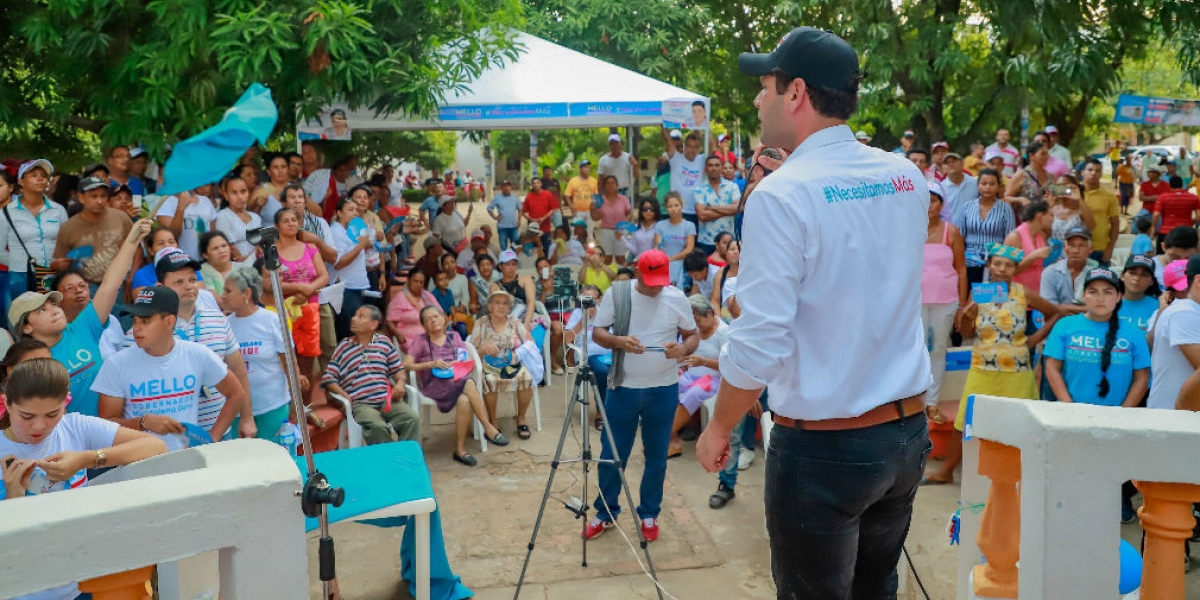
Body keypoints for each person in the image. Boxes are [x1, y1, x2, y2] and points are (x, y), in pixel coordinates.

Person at [694, 28, 937, 597]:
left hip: (828, 447)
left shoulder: (782, 197)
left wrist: (721, 424)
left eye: (766, 86)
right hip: (903, 435)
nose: (758, 100)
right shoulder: (904, 175)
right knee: (876, 588)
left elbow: (759, 344)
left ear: (796, 92)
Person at [1, 359, 166, 598]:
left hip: (79, 583)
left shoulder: (75, 427)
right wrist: (14, 502)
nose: (39, 426)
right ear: (6, 403)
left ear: (66, 401)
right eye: (26, 416)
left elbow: (155, 446)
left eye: (52, 414)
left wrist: (85, 459)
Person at [585, 249, 698, 543]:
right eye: (651, 281)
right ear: (637, 273)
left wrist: (683, 350)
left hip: (663, 390)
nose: (656, 287)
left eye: (661, 281)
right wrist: (619, 341)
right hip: (623, 388)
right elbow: (598, 333)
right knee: (611, 454)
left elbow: (692, 335)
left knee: (657, 456)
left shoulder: (676, 298)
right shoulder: (618, 294)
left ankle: (649, 513)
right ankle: (605, 512)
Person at [926, 244, 1059, 484]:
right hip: (982, 368)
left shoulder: (1022, 293)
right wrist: (966, 318)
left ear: (1015, 269)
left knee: (1024, 421)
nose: (1002, 269)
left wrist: (1034, 340)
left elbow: (1055, 313)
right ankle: (946, 471)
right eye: (997, 264)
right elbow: (966, 332)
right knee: (963, 421)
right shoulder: (982, 293)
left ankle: (1027, 473)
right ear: (989, 266)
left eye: (1008, 265)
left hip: (1016, 371)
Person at [10, 219, 151, 421]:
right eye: (41, 310)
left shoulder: (82, 328)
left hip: (112, 430)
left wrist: (132, 240)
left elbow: (110, 285)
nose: (54, 310)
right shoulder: (30, 364)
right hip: (72, 443)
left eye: (53, 304)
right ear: (27, 327)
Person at [95, 286, 247, 450]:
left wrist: (212, 438)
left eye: (145, 321)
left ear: (169, 322)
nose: (136, 328)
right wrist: (142, 422)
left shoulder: (197, 354)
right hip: (140, 463)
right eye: (135, 320)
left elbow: (237, 393)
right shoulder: (116, 364)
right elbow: (106, 424)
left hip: (187, 461)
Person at [142, 248, 256, 437]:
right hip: (171, 438)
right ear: (160, 287)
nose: (189, 286)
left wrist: (246, 417)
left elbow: (237, 369)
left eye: (192, 280)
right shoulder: (146, 328)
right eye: (179, 282)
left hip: (220, 431)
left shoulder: (218, 319)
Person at [405, 306, 506, 466]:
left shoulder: (454, 336)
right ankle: (487, 427)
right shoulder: (421, 341)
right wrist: (431, 363)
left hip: (456, 379)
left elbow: (463, 359)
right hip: (434, 384)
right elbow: (407, 364)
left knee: (465, 400)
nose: (433, 321)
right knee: (469, 383)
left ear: (443, 318)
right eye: (428, 319)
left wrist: (455, 363)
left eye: (436, 317)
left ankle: (460, 450)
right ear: (424, 325)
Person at [1043, 268, 1150, 406]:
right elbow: (1052, 368)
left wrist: (1123, 413)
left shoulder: (1133, 332)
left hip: (1116, 418)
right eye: (1093, 292)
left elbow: (1142, 378)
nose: (1100, 298)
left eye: (1108, 292)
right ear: (1084, 296)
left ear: (1118, 297)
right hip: (1071, 414)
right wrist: (1068, 406)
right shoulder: (1065, 325)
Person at [322, 305, 420, 445]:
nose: (353, 319)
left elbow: (397, 369)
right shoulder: (344, 346)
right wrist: (346, 397)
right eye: (355, 315)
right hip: (361, 404)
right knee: (378, 427)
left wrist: (400, 384)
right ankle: (389, 462)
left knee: (411, 419)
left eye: (360, 316)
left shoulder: (384, 342)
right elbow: (329, 379)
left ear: (373, 324)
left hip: (386, 399)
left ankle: (407, 461)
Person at [222, 268, 297, 445]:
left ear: (246, 293)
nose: (222, 296)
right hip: (237, 412)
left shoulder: (272, 321)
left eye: (228, 291)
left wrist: (296, 404)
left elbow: (291, 365)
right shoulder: (223, 325)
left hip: (273, 406)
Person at [923, 183, 968, 425]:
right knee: (915, 350)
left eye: (934, 199)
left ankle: (931, 402)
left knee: (937, 350)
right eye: (925, 199)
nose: (929, 204)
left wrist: (962, 306)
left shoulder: (952, 231)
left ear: (942, 204)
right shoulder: (909, 230)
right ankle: (914, 402)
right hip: (915, 302)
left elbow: (961, 269)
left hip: (945, 301)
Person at [470, 290, 537, 440]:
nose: (501, 306)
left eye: (505, 303)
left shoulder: (514, 322)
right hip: (487, 365)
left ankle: (521, 419)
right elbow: (471, 351)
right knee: (490, 380)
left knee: (526, 377)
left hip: (511, 364)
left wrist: (517, 354)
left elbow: (530, 343)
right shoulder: (481, 323)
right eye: (497, 303)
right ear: (490, 306)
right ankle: (493, 421)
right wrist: (484, 349)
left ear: (509, 307)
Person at [668, 294, 728, 460]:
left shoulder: (723, 333)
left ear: (709, 313)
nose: (695, 325)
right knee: (669, 383)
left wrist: (704, 362)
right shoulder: (693, 331)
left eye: (698, 320)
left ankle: (663, 437)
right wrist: (680, 361)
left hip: (715, 380)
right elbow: (685, 356)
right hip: (692, 374)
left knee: (695, 391)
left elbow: (730, 366)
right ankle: (673, 440)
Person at [0, 160, 69, 301]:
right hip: (19, 276)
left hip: (51, 274)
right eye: (34, 175)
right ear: (21, 181)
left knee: (51, 313)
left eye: (43, 175)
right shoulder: (7, 212)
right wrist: (19, 264)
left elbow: (66, 243)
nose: (40, 178)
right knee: (20, 318)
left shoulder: (58, 210)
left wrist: (56, 263)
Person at [52, 177, 133, 286]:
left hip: (118, 283)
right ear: (81, 198)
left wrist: (131, 277)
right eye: (93, 196)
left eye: (103, 196)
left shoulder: (121, 218)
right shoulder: (68, 228)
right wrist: (58, 266)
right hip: (87, 286)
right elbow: (61, 261)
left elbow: (137, 248)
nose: (99, 201)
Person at [954, 168, 1015, 284]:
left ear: (998, 187)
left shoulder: (1005, 209)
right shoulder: (967, 207)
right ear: (978, 186)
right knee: (970, 297)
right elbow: (959, 237)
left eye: (992, 184)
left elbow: (1009, 239)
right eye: (984, 183)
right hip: (969, 261)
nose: (988, 187)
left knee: (989, 299)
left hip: (995, 263)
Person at [54, 269, 127, 360]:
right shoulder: (55, 331)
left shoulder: (110, 320)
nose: (78, 290)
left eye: (82, 285)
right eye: (70, 288)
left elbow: (124, 353)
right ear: (57, 299)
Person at [329, 198, 372, 339]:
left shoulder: (352, 230)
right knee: (350, 332)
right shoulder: (336, 231)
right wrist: (361, 245)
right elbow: (339, 262)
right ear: (339, 213)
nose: (355, 213)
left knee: (356, 331)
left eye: (356, 210)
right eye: (350, 209)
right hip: (344, 288)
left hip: (354, 286)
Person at [1040, 226, 1096, 314]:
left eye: (1081, 246)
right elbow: (1048, 308)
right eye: (1071, 245)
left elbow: (1102, 308)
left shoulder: (1097, 273)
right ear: (1065, 248)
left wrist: (1063, 307)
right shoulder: (1050, 272)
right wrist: (1085, 309)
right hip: (1058, 324)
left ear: (1090, 249)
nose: (1076, 251)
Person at [693, 154, 740, 257]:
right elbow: (702, 216)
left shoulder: (732, 187)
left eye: (717, 165)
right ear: (706, 169)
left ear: (721, 168)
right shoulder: (699, 189)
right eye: (710, 165)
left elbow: (737, 209)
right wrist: (728, 210)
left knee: (729, 272)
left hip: (728, 241)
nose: (713, 168)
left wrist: (712, 207)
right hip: (706, 241)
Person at [1004, 200, 1052, 295]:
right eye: (1051, 215)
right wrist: (1032, 256)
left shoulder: (1040, 235)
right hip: (1017, 295)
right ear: (1039, 215)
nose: (1053, 219)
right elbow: (1007, 271)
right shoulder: (1015, 236)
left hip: (1037, 294)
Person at [387, 266, 440, 353]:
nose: (418, 284)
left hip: (432, 335)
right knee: (427, 349)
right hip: (409, 339)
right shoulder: (399, 298)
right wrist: (398, 334)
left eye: (421, 282)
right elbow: (389, 321)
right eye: (415, 281)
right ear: (408, 281)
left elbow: (440, 313)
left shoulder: (427, 296)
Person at [213, 175, 262, 265]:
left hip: (258, 265)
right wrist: (248, 260)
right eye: (234, 193)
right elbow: (231, 248)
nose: (239, 197)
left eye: (243, 192)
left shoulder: (256, 218)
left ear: (248, 193)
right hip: (236, 267)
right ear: (226, 195)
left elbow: (259, 245)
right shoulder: (223, 216)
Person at [662, 130, 707, 228]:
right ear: (684, 146)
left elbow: (713, 147)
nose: (692, 149)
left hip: (697, 209)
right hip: (678, 210)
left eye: (696, 147)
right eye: (689, 146)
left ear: (699, 148)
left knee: (693, 241)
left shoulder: (702, 159)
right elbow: (668, 139)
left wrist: (705, 124)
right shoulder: (676, 157)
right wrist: (663, 121)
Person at [652, 192, 696, 286]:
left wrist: (670, 258)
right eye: (670, 206)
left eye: (676, 205)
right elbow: (656, 247)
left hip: (682, 268)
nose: (673, 209)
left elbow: (689, 249)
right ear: (666, 208)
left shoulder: (689, 226)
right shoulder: (660, 225)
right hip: (663, 265)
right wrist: (660, 253)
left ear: (682, 205)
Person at [591, 175, 632, 265]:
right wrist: (592, 209)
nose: (610, 185)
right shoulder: (600, 200)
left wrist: (624, 224)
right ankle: (608, 278)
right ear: (605, 186)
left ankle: (623, 277)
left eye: (613, 183)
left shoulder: (623, 199)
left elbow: (629, 214)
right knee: (606, 259)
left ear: (617, 185)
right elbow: (595, 217)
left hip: (620, 231)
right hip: (605, 232)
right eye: (608, 183)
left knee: (620, 259)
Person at [1153, 175, 1200, 250]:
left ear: (1169, 185)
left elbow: (1156, 215)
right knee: (1184, 257)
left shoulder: (1163, 197)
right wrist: (1191, 223)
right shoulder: (1193, 198)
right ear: (1181, 185)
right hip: (1186, 232)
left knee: (1164, 257)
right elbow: (1198, 215)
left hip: (1166, 232)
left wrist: (1153, 228)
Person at [1118, 255, 1160, 333]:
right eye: (1132, 273)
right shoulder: (1108, 303)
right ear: (1122, 276)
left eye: (1144, 275)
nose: (1137, 278)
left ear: (1151, 281)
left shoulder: (1158, 307)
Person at [1005, 141, 1053, 209]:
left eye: (1047, 153)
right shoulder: (1022, 175)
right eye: (1043, 154)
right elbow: (1006, 197)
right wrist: (1020, 199)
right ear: (1031, 156)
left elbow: (1060, 193)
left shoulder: (1050, 176)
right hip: (1028, 217)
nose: (1047, 156)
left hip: (1048, 217)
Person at [521, 177, 558, 254]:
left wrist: (544, 218)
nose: (536, 184)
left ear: (541, 184)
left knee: (547, 249)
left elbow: (553, 209)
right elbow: (523, 211)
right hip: (533, 229)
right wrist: (531, 219)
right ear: (531, 185)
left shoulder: (547, 194)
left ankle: (547, 264)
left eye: (537, 182)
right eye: (533, 183)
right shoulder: (529, 196)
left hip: (545, 227)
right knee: (534, 251)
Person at [939, 152, 978, 221]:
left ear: (962, 163)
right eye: (947, 163)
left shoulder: (976, 183)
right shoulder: (940, 189)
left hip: (974, 229)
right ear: (943, 168)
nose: (951, 164)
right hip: (951, 230)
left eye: (954, 161)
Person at [198, 231, 235, 302]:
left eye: (224, 246)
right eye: (215, 248)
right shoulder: (201, 272)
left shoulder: (241, 268)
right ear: (205, 255)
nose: (221, 251)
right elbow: (218, 302)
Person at [710, 239, 742, 320]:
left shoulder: (750, 272)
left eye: (739, 249)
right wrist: (719, 320)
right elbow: (715, 300)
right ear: (726, 253)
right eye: (732, 249)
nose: (736, 252)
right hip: (724, 315)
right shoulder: (721, 272)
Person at [486, 180, 522, 251]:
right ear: (501, 188)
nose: (506, 188)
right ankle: (504, 260)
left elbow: (520, 209)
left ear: (510, 187)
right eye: (504, 186)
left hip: (513, 226)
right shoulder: (497, 198)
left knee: (516, 246)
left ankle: (514, 259)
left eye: (508, 186)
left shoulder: (515, 198)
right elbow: (489, 208)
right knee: (503, 247)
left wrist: (519, 220)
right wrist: (494, 217)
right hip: (502, 227)